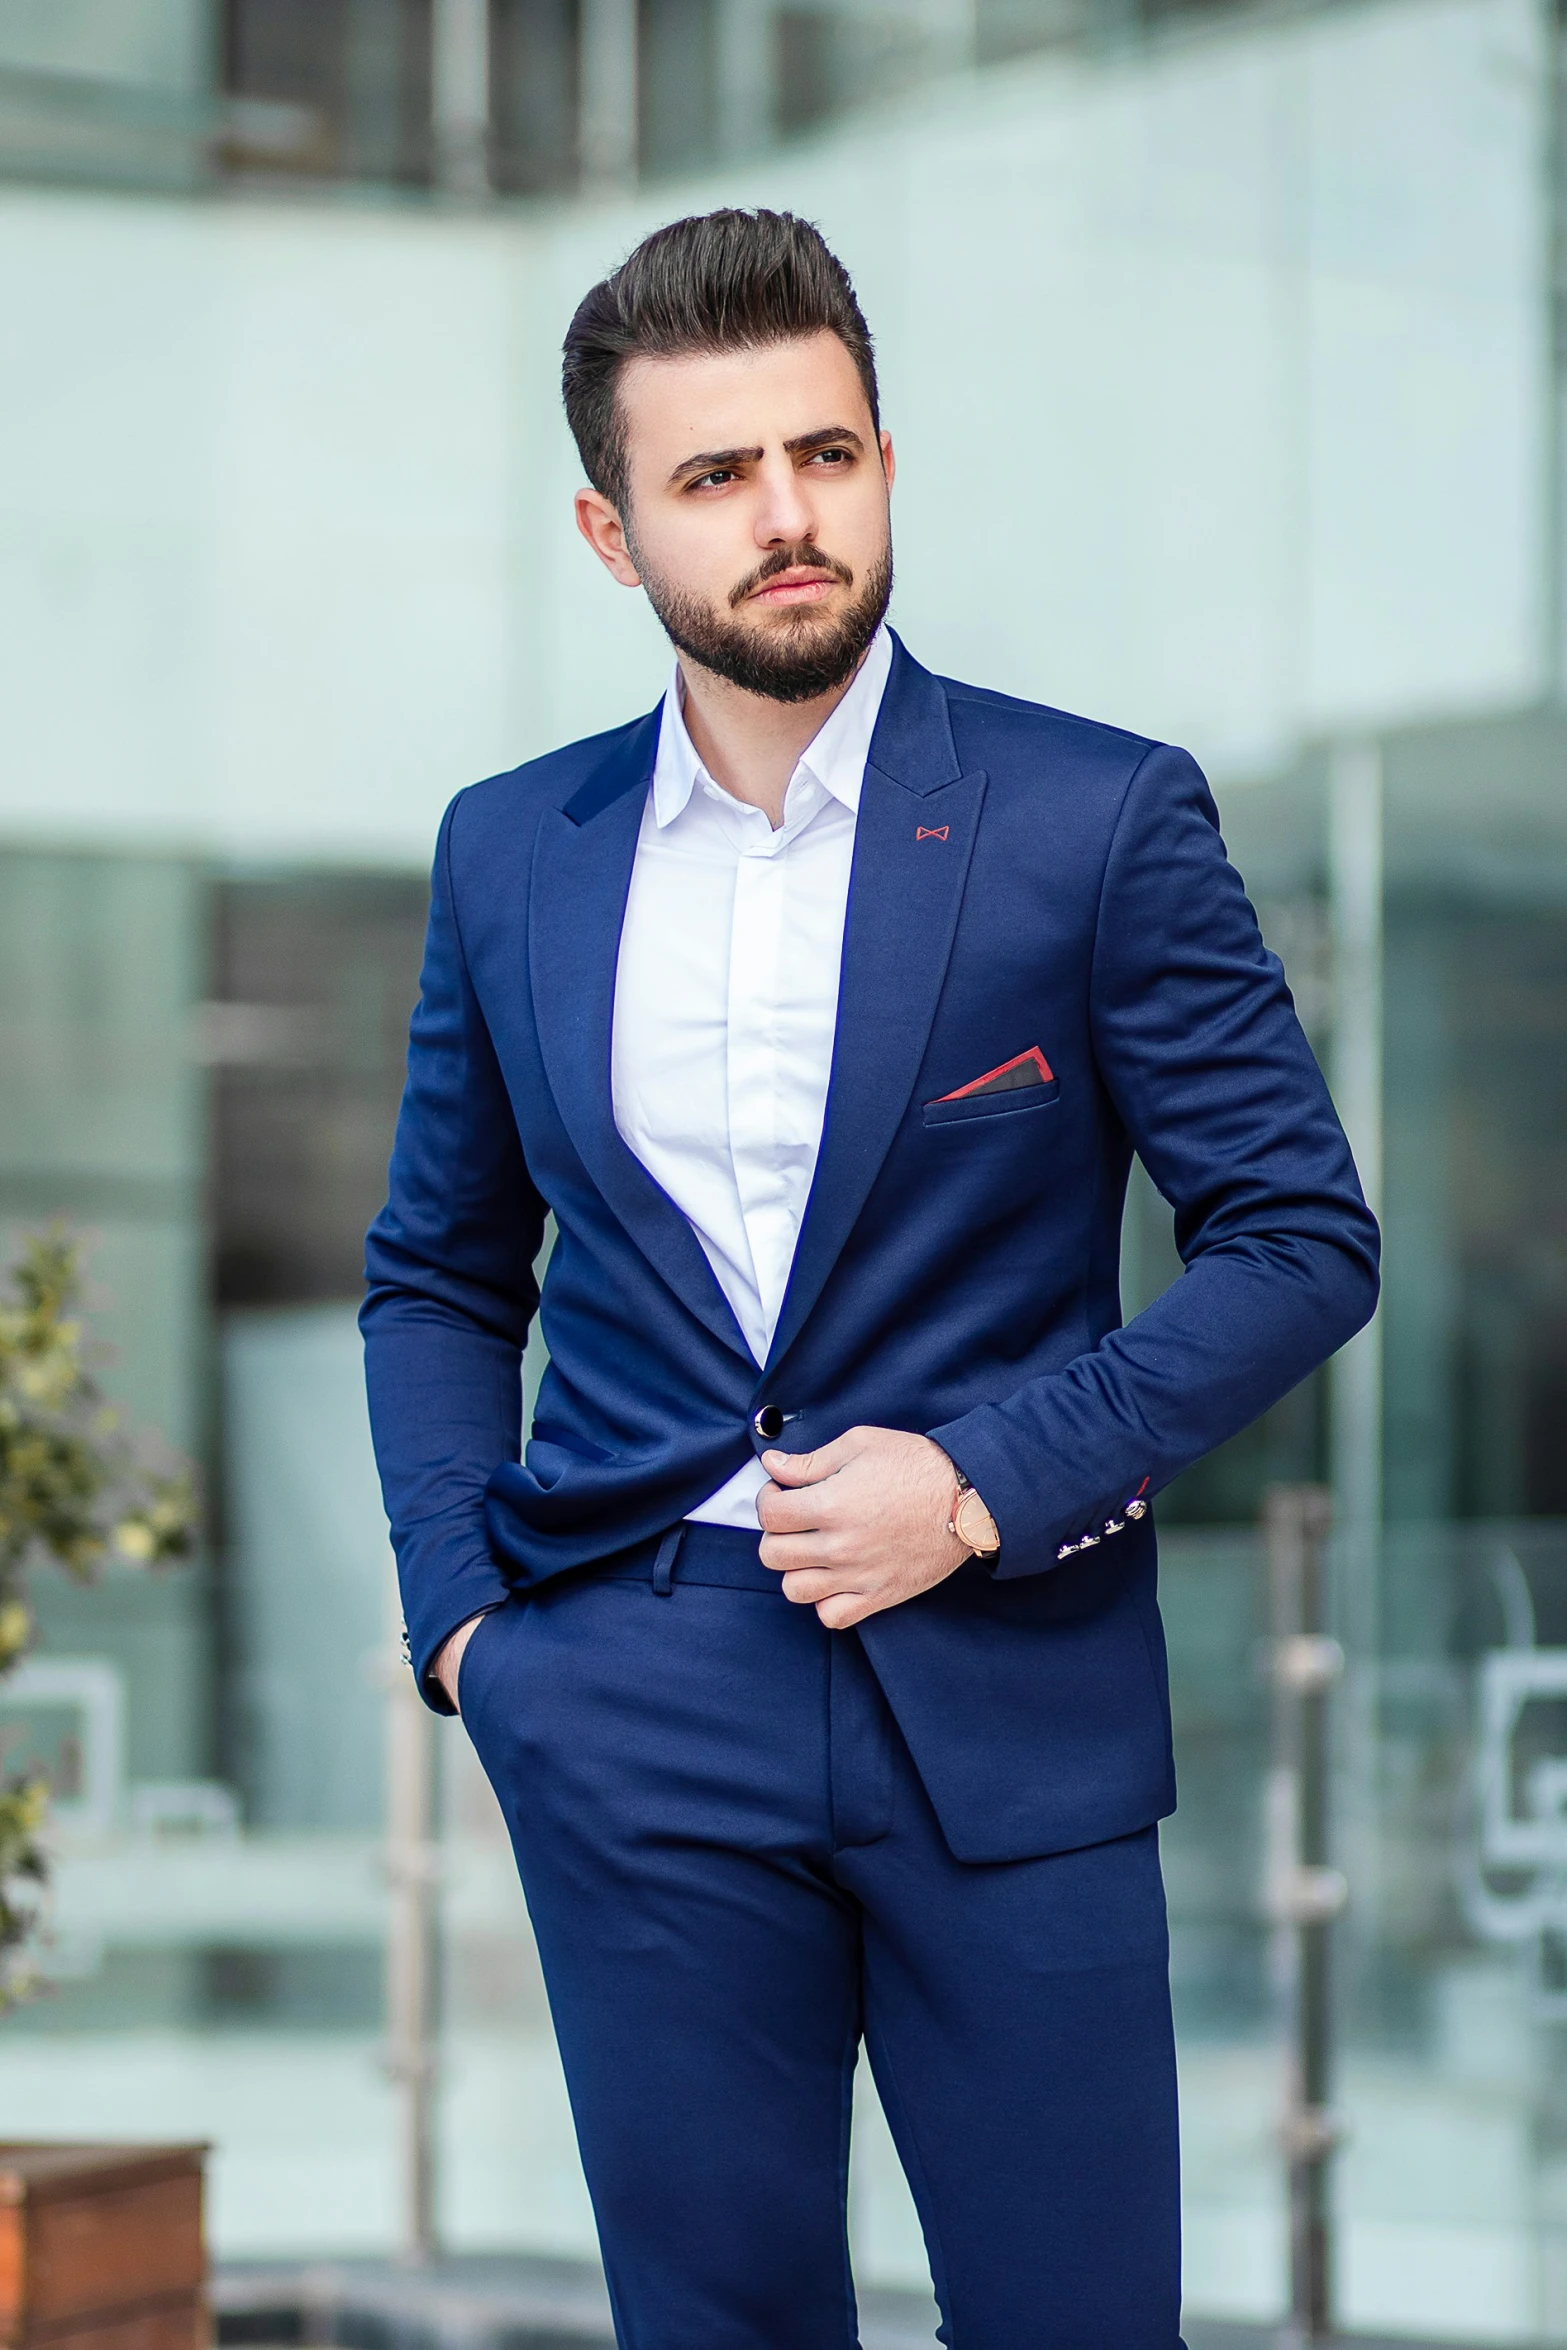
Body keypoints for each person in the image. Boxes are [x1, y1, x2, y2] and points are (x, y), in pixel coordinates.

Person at [362, 208, 1378, 2350]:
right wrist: (469, 1626)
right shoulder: (506, 853)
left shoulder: (1087, 820)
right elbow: (439, 1273)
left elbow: (1301, 1236)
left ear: (887, 462)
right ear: (612, 528)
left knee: (1075, 2321)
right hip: (632, 1687)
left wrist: (983, 1479)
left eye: (826, 453)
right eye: (717, 476)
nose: (788, 515)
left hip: (1005, 1689)